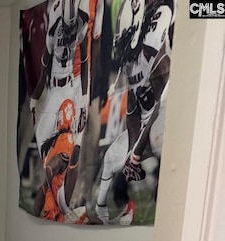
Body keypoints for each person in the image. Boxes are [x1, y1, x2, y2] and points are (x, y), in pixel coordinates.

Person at [94, 0, 173, 224]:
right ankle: (101, 212)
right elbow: (132, 112)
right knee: (111, 158)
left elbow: (160, 105)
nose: (122, 45)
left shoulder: (157, 55)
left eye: (127, 37)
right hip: (146, 124)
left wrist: (136, 155)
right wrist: (131, 152)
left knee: (161, 147)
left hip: (165, 121)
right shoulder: (131, 63)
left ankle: (163, 193)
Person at [30, 0, 91, 160]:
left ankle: (61, 180)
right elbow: (44, 70)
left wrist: (84, 100)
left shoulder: (81, 19)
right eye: (67, 27)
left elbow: (85, 61)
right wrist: (34, 100)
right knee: (43, 140)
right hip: (54, 90)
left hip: (70, 88)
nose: (69, 31)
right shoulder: (53, 28)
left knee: (66, 145)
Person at [34, 99, 80, 221]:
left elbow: (52, 166)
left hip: (53, 201)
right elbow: (53, 166)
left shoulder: (58, 140)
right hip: (56, 206)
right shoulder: (64, 139)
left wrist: (43, 190)